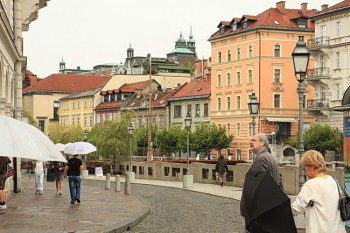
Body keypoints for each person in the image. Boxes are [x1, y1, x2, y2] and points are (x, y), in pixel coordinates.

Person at [291, 150, 345, 233]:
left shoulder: (311, 184)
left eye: (304, 167)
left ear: (311, 167)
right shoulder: (334, 181)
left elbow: (296, 208)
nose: (304, 171)